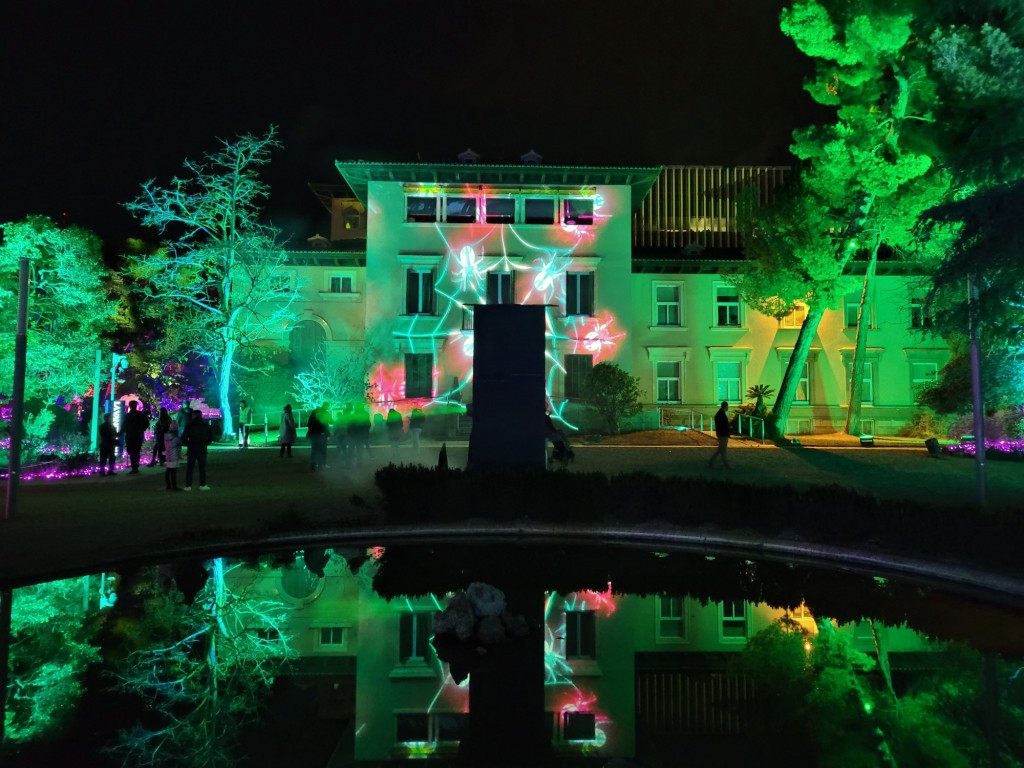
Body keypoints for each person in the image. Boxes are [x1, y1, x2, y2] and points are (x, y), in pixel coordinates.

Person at [182, 409, 213, 491]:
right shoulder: (205, 425)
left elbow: (183, 437)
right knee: (202, 468)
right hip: (202, 448)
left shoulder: (189, 425)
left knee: (190, 468)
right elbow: (211, 437)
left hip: (192, 448)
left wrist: (188, 444)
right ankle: (202, 485)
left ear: (193, 416)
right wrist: (205, 443)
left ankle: (188, 485)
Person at [120, 399, 150, 474]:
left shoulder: (128, 416)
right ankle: (135, 467)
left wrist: (119, 433)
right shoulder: (140, 415)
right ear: (136, 406)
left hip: (130, 436)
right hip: (138, 436)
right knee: (136, 451)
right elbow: (147, 424)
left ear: (130, 406)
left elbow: (123, 426)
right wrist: (141, 430)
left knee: (132, 452)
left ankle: (134, 468)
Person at [708, 400, 732, 469]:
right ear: (726, 406)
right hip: (723, 434)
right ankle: (715, 461)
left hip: (722, 433)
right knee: (721, 449)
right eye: (727, 407)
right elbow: (723, 425)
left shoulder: (719, 414)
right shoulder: (721, 414)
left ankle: (723, 462)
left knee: (722, 449)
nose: (728, 408)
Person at [307, 404, 331, 470]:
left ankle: (314, 464)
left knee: (314, 449)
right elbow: (329, 422)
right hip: (322, 434)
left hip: (313, 434)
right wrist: (328, 434)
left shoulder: (314, 412)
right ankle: (322, 464)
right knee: (323, 449)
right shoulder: (325, 413)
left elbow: (309, 423)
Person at [163, 420, 183, 491]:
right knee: (173, 471)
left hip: (168, 456)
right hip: (174, 456)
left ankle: (168, 485)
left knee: (168, 471)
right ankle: (174, 486)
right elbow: (180, 445)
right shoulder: (176, 438)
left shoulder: (166, 437)